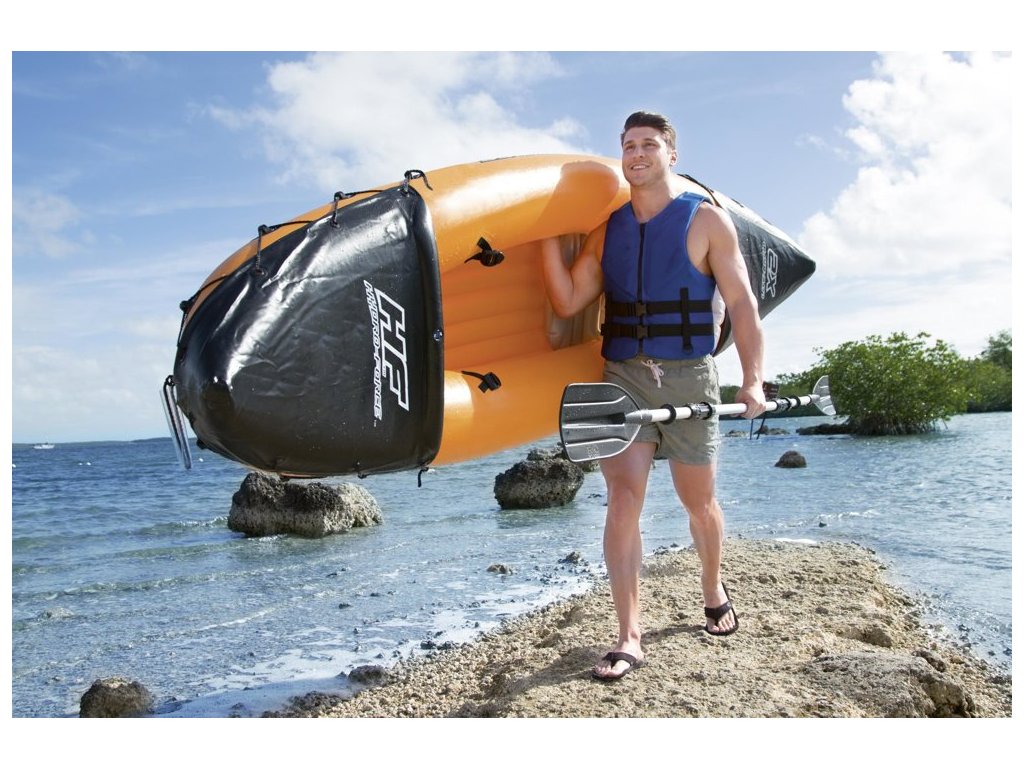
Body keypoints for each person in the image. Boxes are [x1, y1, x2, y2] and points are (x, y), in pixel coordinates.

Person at [541, 111, 767, 681]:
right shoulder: (609, 229)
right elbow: (568, 301)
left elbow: (742, 305)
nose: (636, 154)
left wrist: (752, 379)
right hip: (623, 376)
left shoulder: (706, 220)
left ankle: (712, 587)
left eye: (648, 144)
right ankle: (628, 635)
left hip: (690, 376)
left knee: (698, 502)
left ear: (672, 154)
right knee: (623, 500)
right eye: (628, 146)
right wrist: (541, 234)